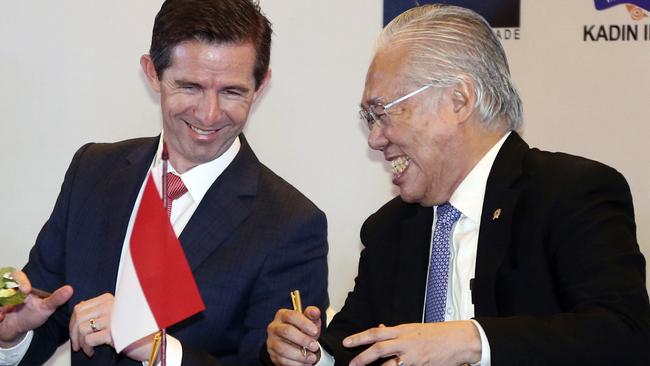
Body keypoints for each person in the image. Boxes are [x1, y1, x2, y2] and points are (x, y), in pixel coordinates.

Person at [265, 4, 649, 366]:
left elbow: (623, 335)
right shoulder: (391, 229)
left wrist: (469, 340)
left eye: (382, 113)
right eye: (368, 118)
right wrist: (312, 357)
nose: (374, 139)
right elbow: (355, 346)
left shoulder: (569, 193)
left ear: (459, 99)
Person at [0, 0, 328, 365]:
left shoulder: (292, 224)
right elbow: (46, 308)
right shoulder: (92, 172)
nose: (209, 113)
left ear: (261, 83)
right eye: (190, 86)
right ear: (152, 72)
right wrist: (12, 335)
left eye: (232, 92)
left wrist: (157, 348)